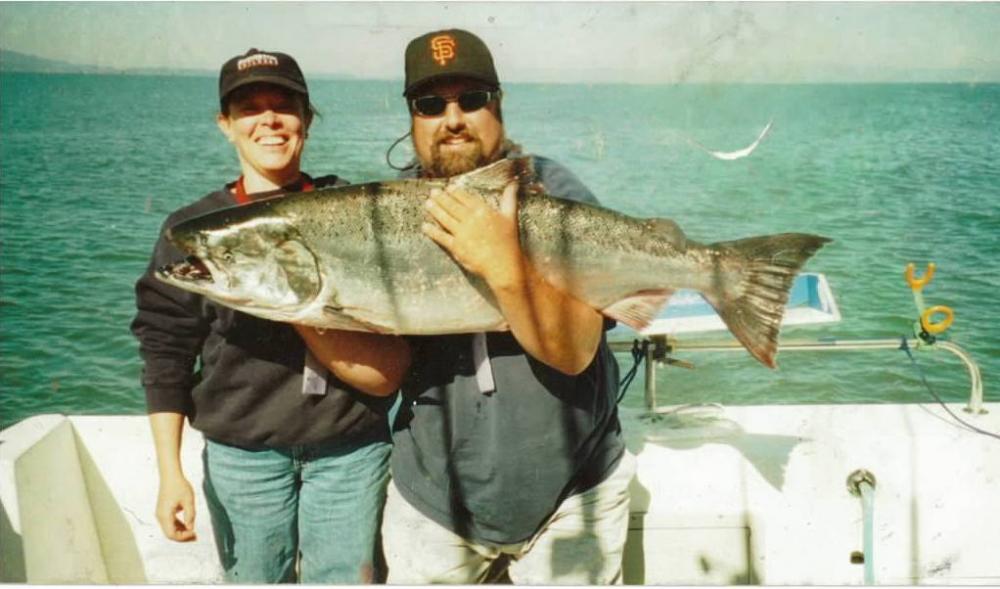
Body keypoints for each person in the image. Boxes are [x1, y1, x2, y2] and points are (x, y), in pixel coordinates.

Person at [130, 48, 411, 584]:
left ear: (306, 117)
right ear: (225, 125)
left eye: (283, 105)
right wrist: (171, 474)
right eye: (249, 108)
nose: (269, 120)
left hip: (349, 450)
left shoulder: (353, 209)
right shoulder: (193, 231)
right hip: (244, 457)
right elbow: (165, 352)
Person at [382, 29, 635, 584]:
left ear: (498, 105)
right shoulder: (380, 214)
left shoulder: (554, 190)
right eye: (431, 104)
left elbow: (575, 351)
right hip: (434, 502)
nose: (453, 118)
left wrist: (503, 264)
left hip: (577, 492)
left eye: (471, 100)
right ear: (412, 118)